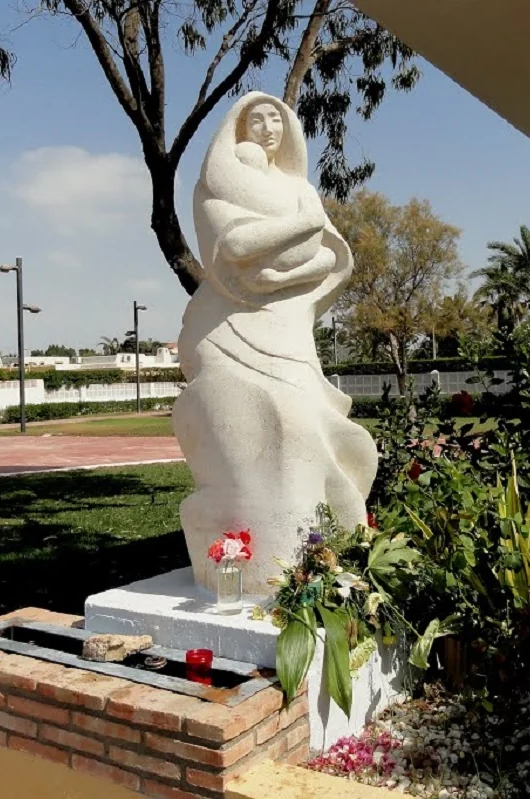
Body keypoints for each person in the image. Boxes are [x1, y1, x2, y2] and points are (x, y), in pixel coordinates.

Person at [173, 92, 378, 595]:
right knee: (263, 425)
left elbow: (330, 258)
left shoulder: (299, 190)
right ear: (237, 129)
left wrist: (279, 270)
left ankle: (314, 555)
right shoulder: (216, 187)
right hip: (227, 328)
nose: (268, 128)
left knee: (313, 429)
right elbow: (233, 249)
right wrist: (303, 228)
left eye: (275, 119)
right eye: (256, 120)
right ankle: (253, 557)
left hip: (286, 329)